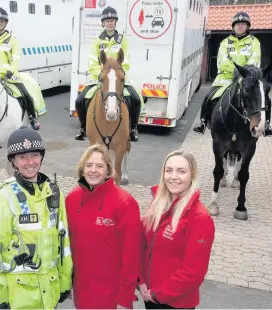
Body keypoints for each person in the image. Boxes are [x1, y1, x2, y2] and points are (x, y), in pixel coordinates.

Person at [0, 126, 73, 309]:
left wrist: (65, 281)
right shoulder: (2, 199)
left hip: (50, 294)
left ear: (41, 157)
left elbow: (64, 245)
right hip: (18, 299)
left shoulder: (54, 193)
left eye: (35, 155)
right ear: (13, 162)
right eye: (22, 157)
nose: (29, 162)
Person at [65, 143, 142, 309]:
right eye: (89, 165)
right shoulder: (71, 199)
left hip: (111, 295)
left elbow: (132, 254)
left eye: (100, 166)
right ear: (82, 168)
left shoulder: (125, 203)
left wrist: (125, 297)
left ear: (108, 170)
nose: (93, 170)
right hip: (82, 290)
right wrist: (67, 280)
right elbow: (67, 245)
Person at [137, 150, 215, 309]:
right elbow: (142, 244)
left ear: (192, 175)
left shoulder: (200, 218)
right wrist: (141, 281)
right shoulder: (157, 206)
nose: (173, 176)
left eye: (181, 171)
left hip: (175, 303)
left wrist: (158, 295)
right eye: (169, 170)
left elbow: (193, 272)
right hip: (150, 297)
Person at [193, 11, 272, 136]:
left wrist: (243, 71)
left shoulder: (254, 42)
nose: (240, 26)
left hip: (247, 77)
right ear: (233, 27)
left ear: (247, 26)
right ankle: (202, 122)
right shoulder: (225, 43)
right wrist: (235, 70)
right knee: (209, 96)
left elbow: (255, 59)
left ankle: (267, 124)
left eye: (243, 24)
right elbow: (222, 60)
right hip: (225, 77)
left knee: (265, 98)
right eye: (237, 24)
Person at [74, 6, 144, 142]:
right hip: (100, 78)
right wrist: (99, 75)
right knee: (80, 100)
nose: (109, 23)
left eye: (112, 20)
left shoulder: (123, 40)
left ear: (115, 22)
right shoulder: (97, 41)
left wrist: (118, 74)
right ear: (103, 23)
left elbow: (126, 61)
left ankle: (133, 128)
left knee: (135, 98)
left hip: (118, 78)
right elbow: (93, 62)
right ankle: (83, 128)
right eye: (107, 21)